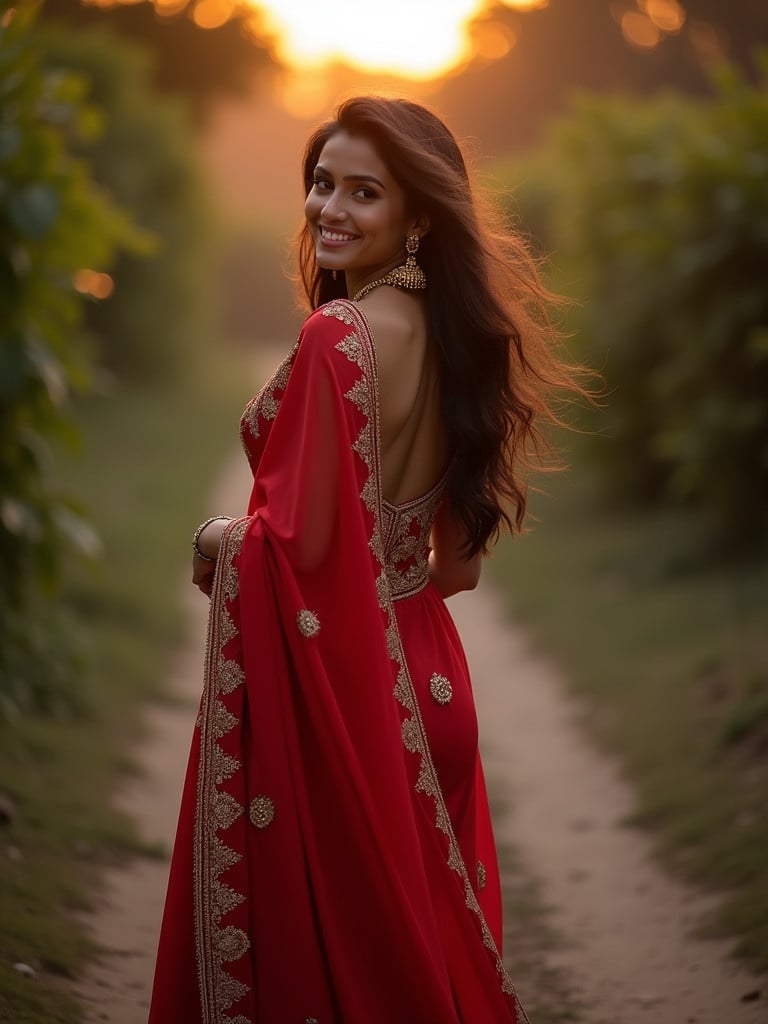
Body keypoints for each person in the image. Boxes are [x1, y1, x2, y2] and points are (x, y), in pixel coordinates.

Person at [148, 96, 583, 1024]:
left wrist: (213, 539)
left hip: (345, 691)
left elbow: (293, 550)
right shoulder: (467, 340)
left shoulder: (338, 337)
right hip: (427, 680)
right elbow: (454, 569)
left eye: (363, 192)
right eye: (320, 182)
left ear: (417, 216)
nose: (328, 208)